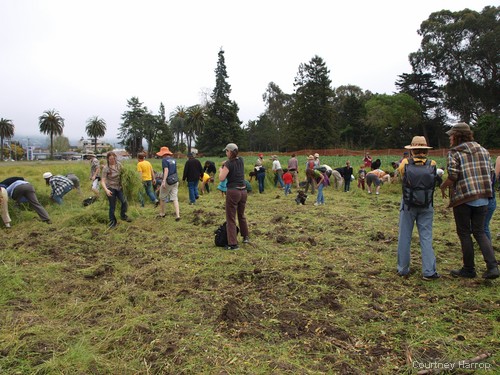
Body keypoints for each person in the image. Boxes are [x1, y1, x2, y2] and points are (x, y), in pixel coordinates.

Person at [440, 122, 499, 279]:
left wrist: (443, 186)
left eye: (452, 135)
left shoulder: (455, 153)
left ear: (458, 136)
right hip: (484, 198)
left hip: (464, 198)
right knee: (479, 232)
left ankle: (469, 269)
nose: (450, 138)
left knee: (464, 233)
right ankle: (492, 267)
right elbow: (492, 173)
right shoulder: (484, 150)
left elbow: (453, 175)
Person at [396, 136, 439, 280]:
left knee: (405, 236)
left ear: (412, 150)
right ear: (425, 150)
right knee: (426, 237)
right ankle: (429, 271)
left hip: (408, 204)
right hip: (427, 204)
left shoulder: (405, 163)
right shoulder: (432, 163)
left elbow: (402, 177)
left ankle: (403, 269)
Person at [219, 143, 250, 250]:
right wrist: (225, 163)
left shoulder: (228, 164)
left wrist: (221, 170)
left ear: (230, 152)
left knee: (230, 218)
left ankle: (232, 243)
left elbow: (222, 178)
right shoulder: (241, 160)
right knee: (241, 215)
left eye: (226, 151)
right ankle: (245, 237)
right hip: (243, 191)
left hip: (233, 192)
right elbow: (231, 162)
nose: (226, 153)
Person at [101, 151, 132, 228]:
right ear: (108, 159)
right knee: (112, 206)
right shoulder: (106, 168)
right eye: (111, 159)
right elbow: (103, 181)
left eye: (114, 158)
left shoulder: (119, 165)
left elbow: (124, 173)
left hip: (119, 187)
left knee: (124, 202)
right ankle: (112, 222)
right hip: (110, 188)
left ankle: (123, 215)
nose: (112, 160)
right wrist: (106, 190)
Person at [157, 146, 180, 221]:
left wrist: (163, 181)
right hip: (175, 180)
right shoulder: (173, 160)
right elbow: (175, 170)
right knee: (174, 198)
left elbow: (166, 170)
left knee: (162, 197)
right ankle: (177, 215)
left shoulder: (164, 160)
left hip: (168, 181)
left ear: (163, 154)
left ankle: (162, 213)